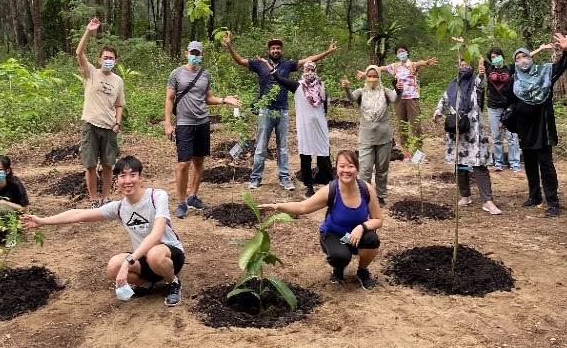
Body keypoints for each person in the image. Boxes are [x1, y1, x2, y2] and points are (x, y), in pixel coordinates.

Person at [22, 155, 185, 307]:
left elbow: (156, 235)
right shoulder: (119, 207)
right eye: (122, 176)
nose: (128, 181)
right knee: (114, 266)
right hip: (143, 259)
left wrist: (128, 262)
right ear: (116, 181)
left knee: (154, 253)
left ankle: (173, 282)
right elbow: (78, 214)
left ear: (140, 178)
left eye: (132, 175)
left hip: (168, 255)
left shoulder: (156, 196)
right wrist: (42, 221)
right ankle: (147, 284)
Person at [222, 33, 336, 191]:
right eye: (273, 48)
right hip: (265, 111)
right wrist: (229, 46)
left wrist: (328, 51)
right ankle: (255, 178)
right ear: (268, 50)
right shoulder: (259, 64)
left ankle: (284, 178)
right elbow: (240, 60)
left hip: (282, 111)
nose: (276, 50)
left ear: (281, 50)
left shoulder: (288, 65)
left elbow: (309, 60)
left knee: (283, 147)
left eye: (278, 48)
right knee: (261, 146)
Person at [259, 150, 383, 290]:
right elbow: (302, 207)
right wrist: (277, 206)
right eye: (342, 166)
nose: (346, 170)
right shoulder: (331, 190)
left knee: (372, 239)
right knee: (340, 257)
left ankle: (362, 271)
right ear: (336, 169)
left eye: (351, 166)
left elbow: (378, 219)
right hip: (333, 234)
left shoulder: (366, 189)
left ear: (357, 169)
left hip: (357, 236)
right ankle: (338, 270)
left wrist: (361, 227)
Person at [164, 40, 240, 219]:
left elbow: (208, 98)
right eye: (192, 53)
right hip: (184, 124)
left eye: (198, 53)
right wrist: (168, 123)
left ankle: (193, 197)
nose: (195, 56)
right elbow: (169, 99)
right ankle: (181, 202)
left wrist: (224, 100)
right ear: (186, 53)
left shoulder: (205, 74)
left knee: (199, 161)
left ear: (202, 55)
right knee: (183, 164)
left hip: (203, 122)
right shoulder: (176, 74)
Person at [506, 33, 567, 217]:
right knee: (529, 163)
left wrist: (566, 51)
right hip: (524, 127)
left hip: (542, 126)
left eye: (524, 56)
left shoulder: (545, 72)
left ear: (530, 57)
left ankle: (553, 202)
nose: (522, 61)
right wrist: (506, 120)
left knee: (546, 163)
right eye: (518, 58)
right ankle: (534, 196)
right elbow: (510, 101)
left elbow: (561, 66)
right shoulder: (515, 79)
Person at [433, 59, 502, 215]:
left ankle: (488, 201)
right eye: (461, 65)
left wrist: (482, 71)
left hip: (473, 130)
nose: (464, 68)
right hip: (457, 130)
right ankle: (465, 195)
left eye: (467, 65)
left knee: (479, 165)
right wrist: (437, 112)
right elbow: (444, 101)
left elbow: (481, 80)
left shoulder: (475, 83)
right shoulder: (452, 85)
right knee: (460, 164)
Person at [261, 58, 334, 199]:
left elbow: (325, 108)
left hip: (319, 126)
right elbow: (279, 79)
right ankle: (309, 186)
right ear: (303, 71)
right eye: (307, 69)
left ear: (315, 71)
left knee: (324, 154)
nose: (310, 72)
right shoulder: (297, 86)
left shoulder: (322, 87)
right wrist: (268, 66)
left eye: (312, 69)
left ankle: (329, 183)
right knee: (306, 156)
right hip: (305, 127)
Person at [76, 18, 125, 208]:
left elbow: (120, 104)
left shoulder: (118, 81)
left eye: (111, 58)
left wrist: (117, 123)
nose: (108, 60)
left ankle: (106, 197)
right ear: (99, 60)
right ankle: (93, 199)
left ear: (116, 60)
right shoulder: (91, 73)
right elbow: (79, 53)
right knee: (89, 164)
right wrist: (88, 31)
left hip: (109, 127)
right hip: (90, 123)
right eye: (105, 57)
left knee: (107, 165)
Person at [482, 44, 551, 174]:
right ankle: (498, 162)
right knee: (497, 137)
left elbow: (524, 58)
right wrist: (464, 43)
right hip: (493, 107)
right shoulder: (489, 68)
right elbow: (474, 54)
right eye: (493, 57)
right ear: (490, 59)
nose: (496, 58)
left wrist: (541, 49)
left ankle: (515, 162)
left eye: (498, 55)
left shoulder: (510, 68)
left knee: (512, 136)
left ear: (502, 56)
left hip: (509, 107)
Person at [366, 44, 437, 160]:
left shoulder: (412, 66)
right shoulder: (394, 67)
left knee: (416, 125)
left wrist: (427, 62)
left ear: (407, 52)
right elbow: (379, 69)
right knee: (401, 126)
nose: (401, 53)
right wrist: (365, 73)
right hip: (398, 99)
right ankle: (406, 152)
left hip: (412, 98)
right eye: (398, 52)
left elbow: (420, 63)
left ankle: (418, 153)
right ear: (396, 54)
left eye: (403, 51)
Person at [341, 66, 397, 207]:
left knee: (382, 168)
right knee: (365, 168)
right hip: (366, 136)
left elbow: (395, 99)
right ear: (366, 77)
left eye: (375, 76)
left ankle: (380, 195)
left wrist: (399, 90)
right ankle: (364, 195)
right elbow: (352, 98)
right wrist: (347, 88)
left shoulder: (385, 92)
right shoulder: (362, 92)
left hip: (384, 136)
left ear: (379, 77)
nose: (372, 79)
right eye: (369, 76)